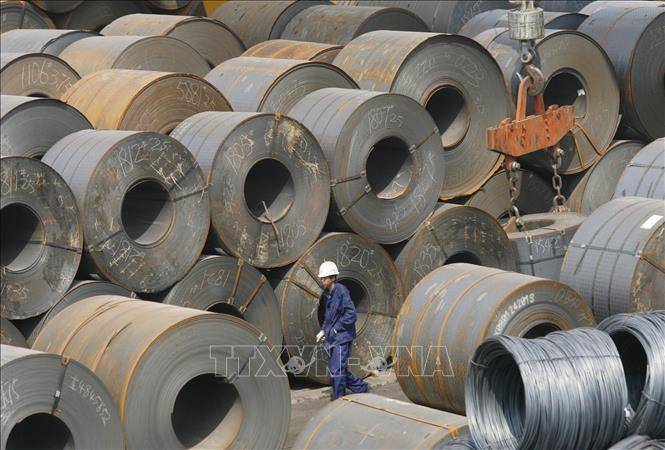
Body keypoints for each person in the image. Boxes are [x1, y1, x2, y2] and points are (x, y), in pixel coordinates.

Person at [316, 261, 369, 400]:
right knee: (337, 368)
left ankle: (339, 398)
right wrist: (323, 331)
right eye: (321, 278)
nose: (322, 281)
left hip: (343, 336)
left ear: (333, 278)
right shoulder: (327, 294)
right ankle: (361, 387)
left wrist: (336, 329)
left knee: (337, 369)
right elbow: (329, 316)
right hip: (334, 337)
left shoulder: (341, 291)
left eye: (324, 278)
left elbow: (351, 314)